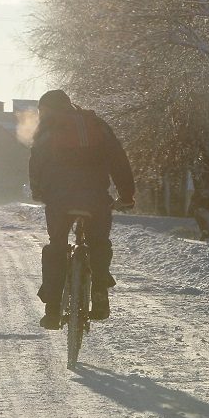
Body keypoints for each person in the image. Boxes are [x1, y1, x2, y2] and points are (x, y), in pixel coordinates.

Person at [29, 89, 135, 329]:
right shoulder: (97, 125)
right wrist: (126, 195)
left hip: (60, 199)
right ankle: (99, 291)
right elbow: (119, 160)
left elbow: (36, 161)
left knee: (57, 245)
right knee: (98, 242)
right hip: (96, 198)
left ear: (48, 109)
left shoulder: (48, 128)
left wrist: (38, 190)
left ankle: (53, 310)